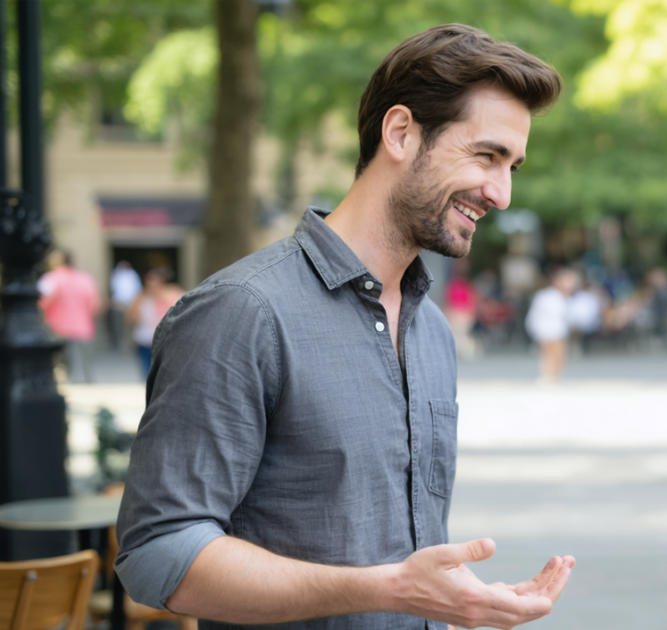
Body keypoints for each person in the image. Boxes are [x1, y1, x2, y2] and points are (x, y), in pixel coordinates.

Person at [116, 24, 573, 630]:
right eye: (486, 155)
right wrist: (391, 589)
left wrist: (449, 601)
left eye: (512, 165)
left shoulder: (431, 329)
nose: (502, 192)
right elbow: (156, 554)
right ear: (401, 133)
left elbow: (399, 559)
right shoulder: (243, 311)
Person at [38, 250, 101, 383]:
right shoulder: (85, 278)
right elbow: (95, 305)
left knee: (60, 367)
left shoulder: (51, 278)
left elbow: (43, 303)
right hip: (83, 328)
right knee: (84, 365)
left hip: (57, 329)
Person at [126, 268, 184, 378]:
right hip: (144, 340)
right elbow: (130, 318)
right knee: (147, 372)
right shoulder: (140, 298)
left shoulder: (171, 294)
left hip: (165, 340)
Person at [525, 267, 579, 383]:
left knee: (560, 355)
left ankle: (556, 376)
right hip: (545, 330)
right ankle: (548, 375)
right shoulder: (544, 296)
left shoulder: (568, 298)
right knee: (548, 353)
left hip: (559, 330)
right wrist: (534, 330)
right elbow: (534, 315)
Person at [109, 260, 142, 350]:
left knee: (130, 325)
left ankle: (131, 344)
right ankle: (119, 344)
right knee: (118, 325)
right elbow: (114, 288)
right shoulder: (116, 274)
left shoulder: (132, 275)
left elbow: (136, 289)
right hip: (119, 304)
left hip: (130, 304)